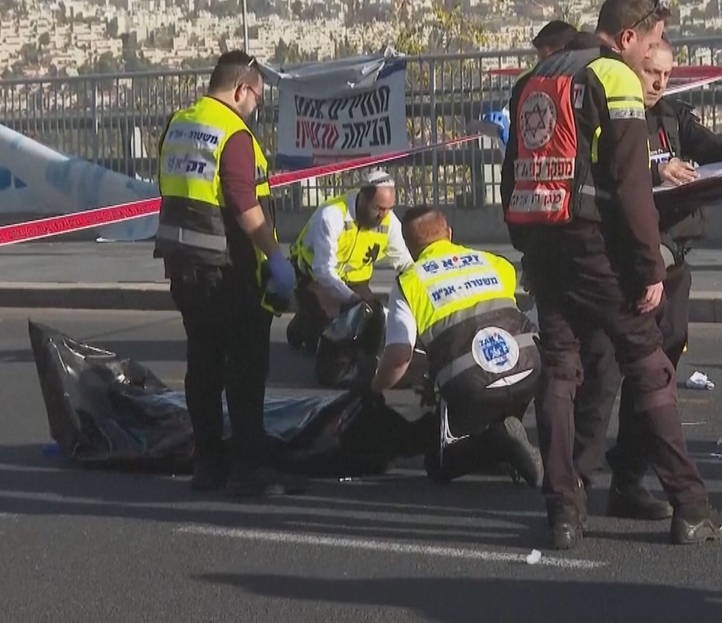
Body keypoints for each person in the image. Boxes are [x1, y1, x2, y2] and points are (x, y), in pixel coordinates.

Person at [502, 0, 722, 549]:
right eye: (654, 42)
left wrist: (527, 244)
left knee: (560, 372)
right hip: (595, 244)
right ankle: (691, 504)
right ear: (628, 37)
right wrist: (648, 267)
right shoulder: (612, 78)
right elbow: (632, 185)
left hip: (542, 242)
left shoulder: (535, 79)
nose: (655, 56)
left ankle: (563, 509)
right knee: (648, 363)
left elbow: (515, 168)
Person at [571, 38, 722, 519]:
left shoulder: (673, 115)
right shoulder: (607, 113)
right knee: (602, 373)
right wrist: (655, 169)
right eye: (650, 72)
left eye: (666, 74)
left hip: (671, 259)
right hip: (619, 262)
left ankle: (629, 480)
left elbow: (710, 145)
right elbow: (597, 171)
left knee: (658, 373)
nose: (659, 82)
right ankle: (573, 488)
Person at [155, 50, 306, 497]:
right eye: (257, 97)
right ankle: (249, 471)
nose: (256, 107)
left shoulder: (180, 123)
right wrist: (275, 257)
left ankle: (208, 465)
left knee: (202, 367)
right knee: (244, 373)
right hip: (228, 271)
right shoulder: (234, 134)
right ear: (242, 89)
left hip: (184, 266)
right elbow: (244, 203)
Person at [366, 205, 543, 487]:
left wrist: (374, 388)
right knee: (497, 371)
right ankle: (509, 436)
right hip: (530, 369)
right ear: (449, 233)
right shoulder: (495, 263)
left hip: (471, 383)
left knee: (439, 464)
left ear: (411, 248)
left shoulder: (410, 282)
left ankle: (500, 441)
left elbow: (399, 357)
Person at [286, 169, 414, 352]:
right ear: (362, 198)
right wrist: (350, 299)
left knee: (371, 320)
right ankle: (301, 325)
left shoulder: (390, 222)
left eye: (388, 209)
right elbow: (324, 271)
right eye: (377, 208)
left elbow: (406, 264)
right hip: (314, 278)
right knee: (330, 327)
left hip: (355, 281)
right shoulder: (332, 215)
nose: (383, 215)